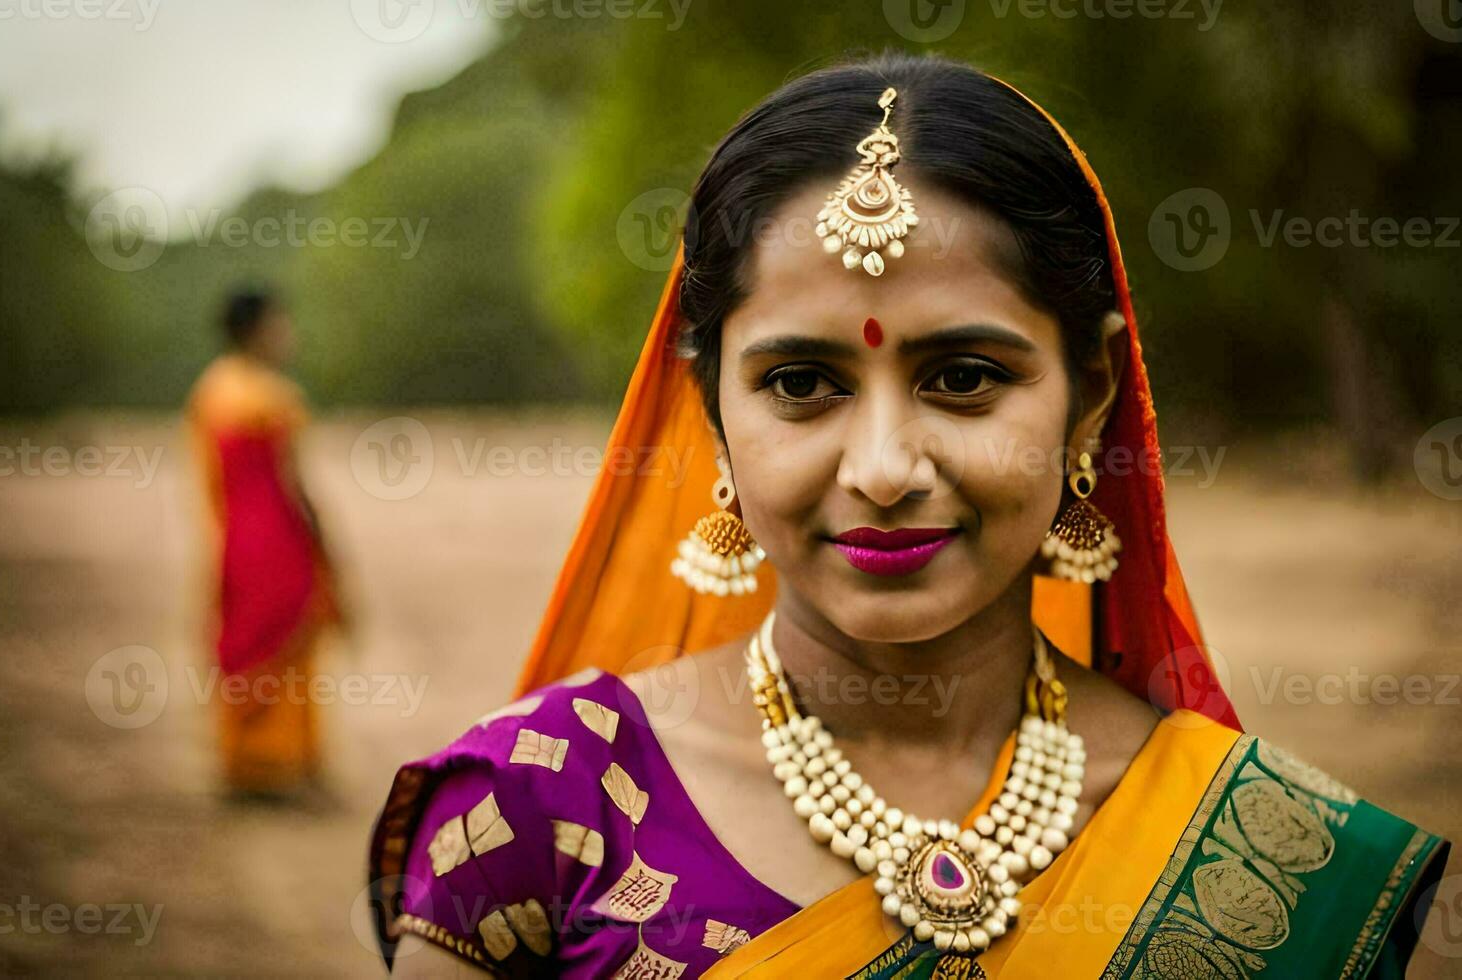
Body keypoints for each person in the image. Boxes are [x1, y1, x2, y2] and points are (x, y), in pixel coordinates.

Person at [366, 54, 1448, 977]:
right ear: (713, 410)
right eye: (800, 384)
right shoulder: (538, 811)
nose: (884, 469)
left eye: (966, 375)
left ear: (1094, 396)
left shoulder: (1283, 856)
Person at [187, 287, 343, 800]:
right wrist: (324, 544)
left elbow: (209, 480)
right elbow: (294, 485)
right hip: (277, 536)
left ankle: (244, 763)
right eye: (280, 322)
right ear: (256, 330)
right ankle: (286, 763)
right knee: (289, 639)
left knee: (246, 636)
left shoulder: (210, 392)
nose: (287, 333)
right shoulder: (274, 398)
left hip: (234, 535)